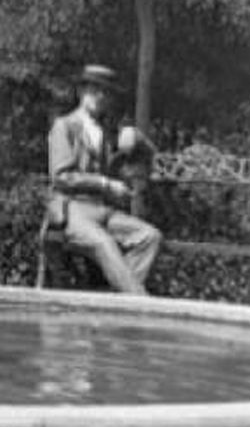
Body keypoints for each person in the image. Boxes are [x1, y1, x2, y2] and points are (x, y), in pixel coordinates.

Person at [45, 66, 163, 294]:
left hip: (104, 210)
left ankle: (117, 303)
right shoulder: (64, 126)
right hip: (71, 210)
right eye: (95, 90)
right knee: (104, 244)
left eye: (106, 93)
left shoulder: (109, 133)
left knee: (150, 237)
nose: (101, 97)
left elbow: (145, 157)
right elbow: (61, 177)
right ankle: (141, 304)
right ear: (82, 92)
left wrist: (138, 139)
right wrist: (106, 184)